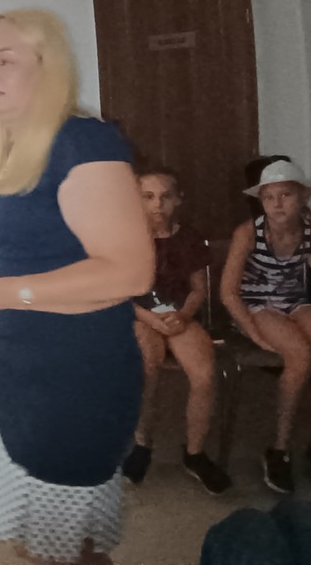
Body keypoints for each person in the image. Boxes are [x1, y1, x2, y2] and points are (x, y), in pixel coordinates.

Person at [0, 9, 154, 565]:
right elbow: (7, 252)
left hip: (75, 384)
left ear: (49, 69)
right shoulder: (19, 149)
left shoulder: (84, 142)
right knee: (36, 542)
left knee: (65, 551)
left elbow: (129, 271)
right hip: (24, 377)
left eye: (6, 60)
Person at [122, 167, 232, 494]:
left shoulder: (189, 238)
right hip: (140, 316)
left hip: (178, 315)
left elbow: (198, 289)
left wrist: (182, 315)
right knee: (147, 366)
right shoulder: (125, 237)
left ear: (178, 200)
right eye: (148, 196)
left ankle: (194, 453)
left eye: (165, 196)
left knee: (204, 374)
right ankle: (142, 443)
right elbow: (118, 293)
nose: (158, 204)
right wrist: (150, 319)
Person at [220, 158, 311, 495]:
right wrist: (252, 332)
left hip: (295, 302)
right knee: (301, 357)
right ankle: (279, 449)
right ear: (261, 201)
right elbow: (228, 293)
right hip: (256, 305)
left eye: (286, 195)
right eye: (269, 197)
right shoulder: (248, 233)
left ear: (303, 197)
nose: (277, 204)